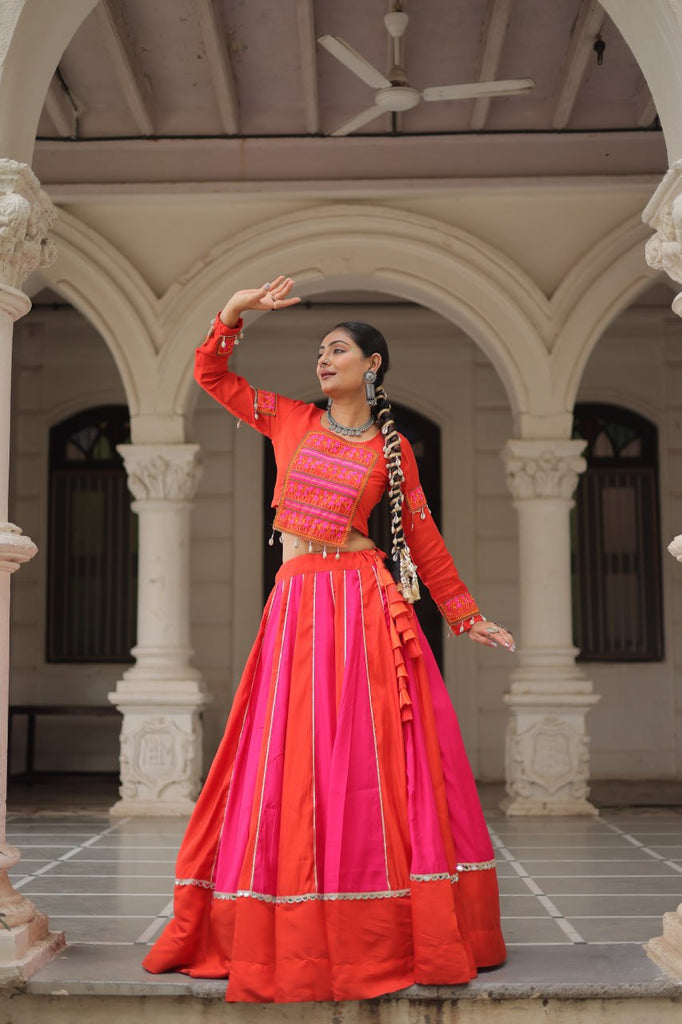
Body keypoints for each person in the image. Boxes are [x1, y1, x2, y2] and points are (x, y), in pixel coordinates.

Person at [143, 276, 514, 1003]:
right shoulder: (289, 420)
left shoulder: (393, 447)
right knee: (289, 756)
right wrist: (233, 312)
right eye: (319, 349)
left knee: (368, 759)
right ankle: (288, 916)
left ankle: (379, 924)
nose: (323, 358)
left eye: (337, 349)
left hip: (363, 601)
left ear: (372, 363)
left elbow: (423, 539)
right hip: (297, 603)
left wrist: (466, 615)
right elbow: (211, 375)